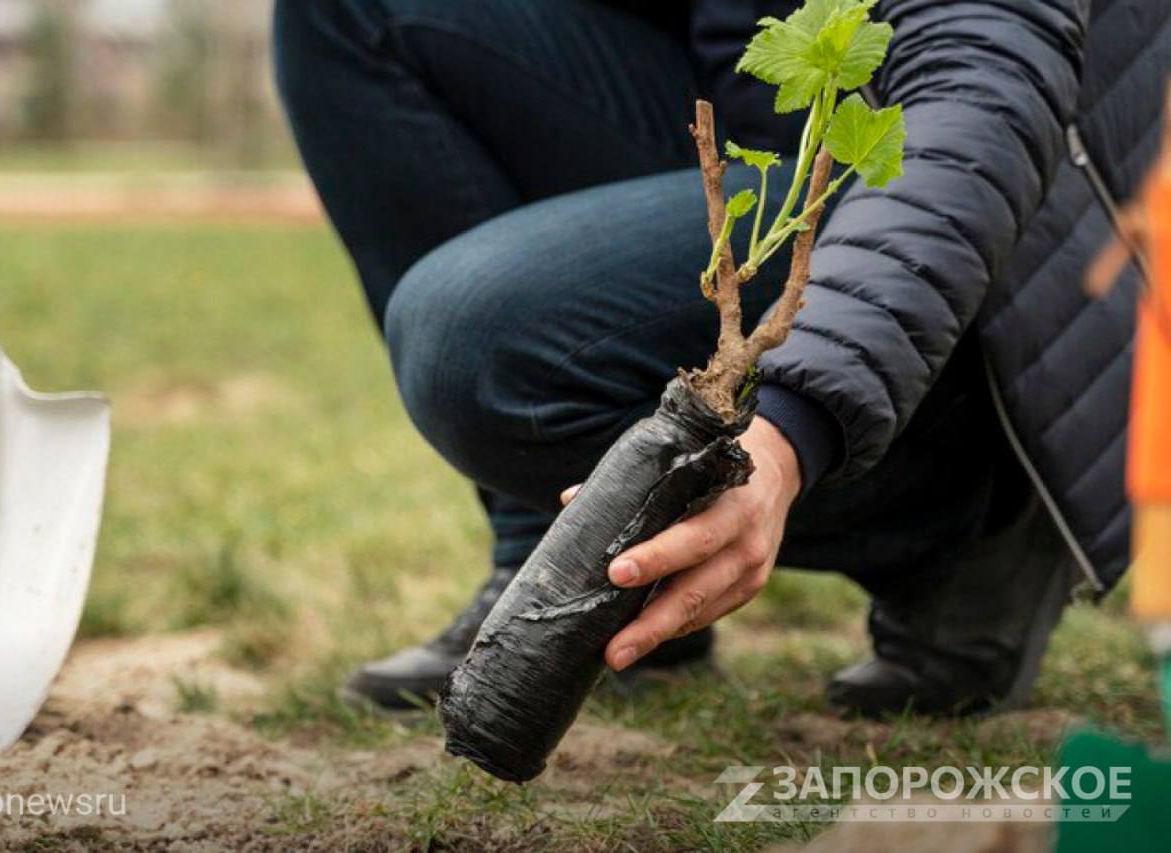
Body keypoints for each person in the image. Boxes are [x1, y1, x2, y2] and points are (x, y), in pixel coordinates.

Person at [273, 0, 1164, 716]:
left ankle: (975, 526)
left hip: (992, 224)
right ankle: (565, 561)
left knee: (471, 338)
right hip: (761, 122)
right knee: (352, 11)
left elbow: (980, 97)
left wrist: (785, 436)